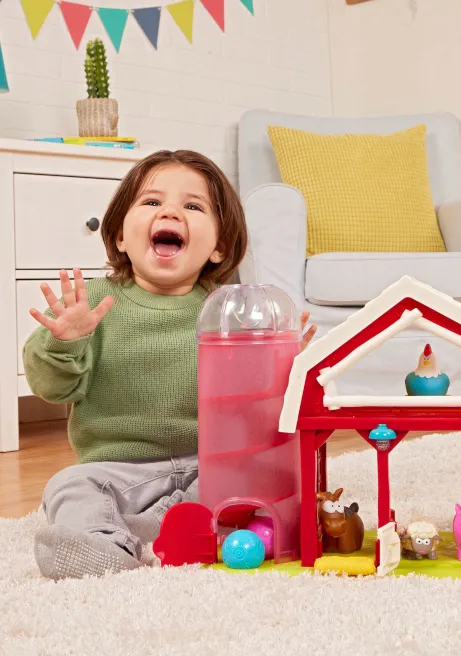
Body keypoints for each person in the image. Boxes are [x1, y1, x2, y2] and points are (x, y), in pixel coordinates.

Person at [22, 150, 316, 580]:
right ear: (120, 236)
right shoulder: (92, 305)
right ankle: (106, 542)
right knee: (68, 486)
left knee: (259, 478)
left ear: (219, 247)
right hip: (120, 470)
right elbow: (50, 387)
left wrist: (283, 364)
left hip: (209, 466)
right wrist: (65, 340)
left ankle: (154, 527)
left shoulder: (230, 310)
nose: (171, 212)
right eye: (152, 201)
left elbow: (254, 408)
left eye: (193, 206)